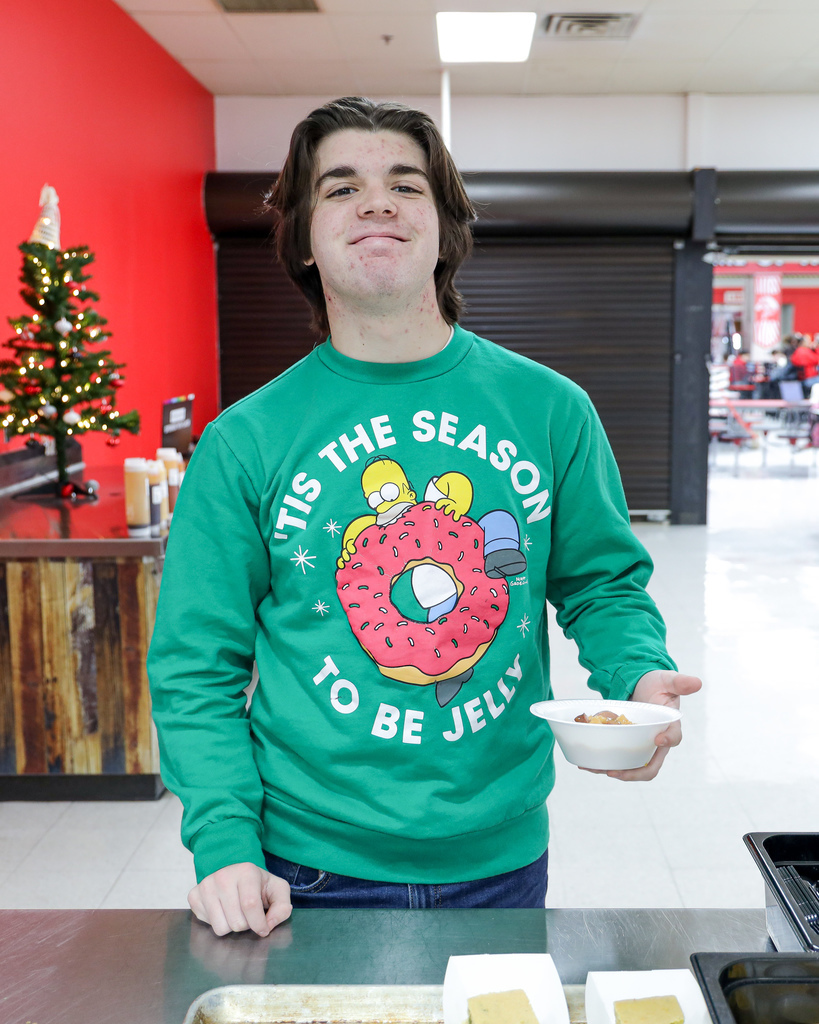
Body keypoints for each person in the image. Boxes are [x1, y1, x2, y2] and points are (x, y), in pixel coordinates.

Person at [146, 96, 702, 939]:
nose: (375, 202)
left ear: (445, 230)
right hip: (302, 863)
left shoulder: (551, 409)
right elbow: (195, 664)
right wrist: (223, 842)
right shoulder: (244, 442)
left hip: (500, 855)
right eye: (340, 188)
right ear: (301, 237)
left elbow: (601, 584)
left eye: (404, 185)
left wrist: (637, 677)